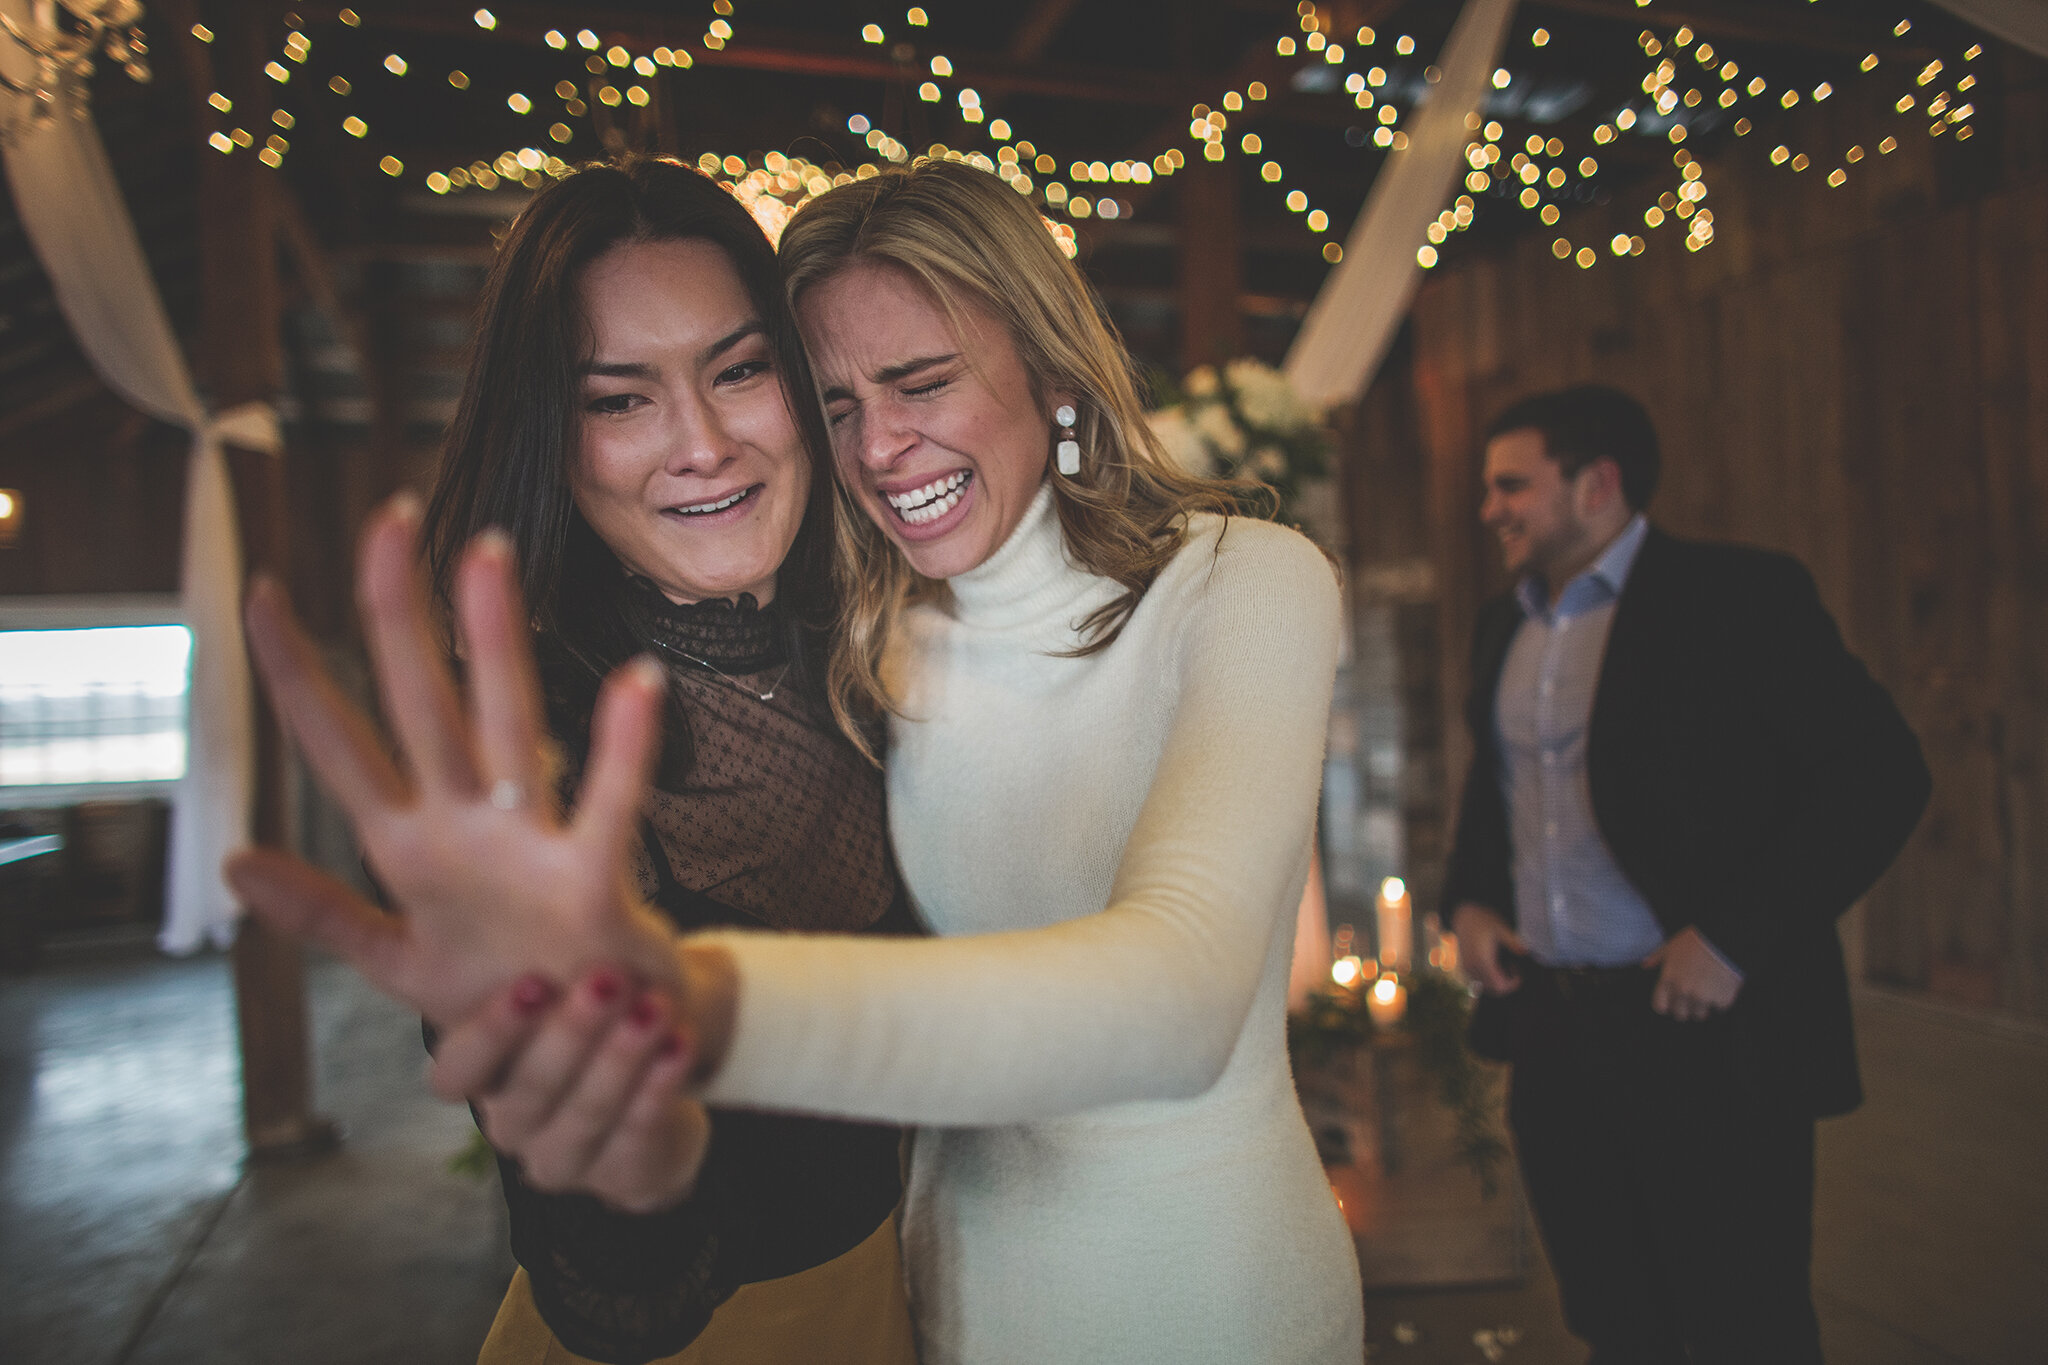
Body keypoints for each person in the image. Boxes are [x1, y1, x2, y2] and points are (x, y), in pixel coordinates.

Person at [231, 159, 1364, 1365]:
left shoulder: (1231, 580)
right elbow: (633, 1256)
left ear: (1049, 364)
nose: (877, 445)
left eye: (918, 380)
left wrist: (698, 1010)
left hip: (1204, 1297)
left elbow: (1178, 999)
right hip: (939, 1302)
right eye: (832, 401)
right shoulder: (865, 646)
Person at [238, 158, 920, 1364]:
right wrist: (629, 1183)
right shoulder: (544, 779)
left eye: (739, 369)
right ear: (551, 444)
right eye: (620, 400)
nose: (702, 444)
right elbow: (621, 1305)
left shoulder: (883, 643)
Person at [1442, 385, 1930, 1364]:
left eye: (1510, 485)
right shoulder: (1506, 625)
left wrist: (1735, 937)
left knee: (1740, 1321)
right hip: (1552, 1026)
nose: (1487, 508)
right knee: (1611, 1318)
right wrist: (1470, 901)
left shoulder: (1738, 599)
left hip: (1702, 1031)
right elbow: (1500, 789)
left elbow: (1878, 778)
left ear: (1596, 485)